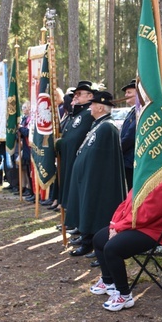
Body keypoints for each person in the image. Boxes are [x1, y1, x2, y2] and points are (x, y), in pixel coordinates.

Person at [89, 181, 162, 311]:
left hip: (153, 230)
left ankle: (124, 294)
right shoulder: (144, 176)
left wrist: (119, 228)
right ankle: (109, 281)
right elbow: (126, 204)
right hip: (132, 224)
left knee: (112, 248)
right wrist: (114, 224)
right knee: (99, 239)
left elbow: (146, 215)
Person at [64, 91, 126, 257]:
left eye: (92, 104)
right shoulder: (98, 124)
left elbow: (103, 158)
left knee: (98, 212)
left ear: (99, 107)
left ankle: (96, 246)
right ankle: (88, 242)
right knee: (88, 209)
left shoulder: (107, 127)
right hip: (89, 178)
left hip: (98, 180)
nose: (89, 107)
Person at [56, 81, 95, 234]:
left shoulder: (86, 114)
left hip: (76, 158)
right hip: (69, 159)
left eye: (79, 94)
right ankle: (73, 222)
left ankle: (78, 225)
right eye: (75, 94)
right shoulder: (78, 113)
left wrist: (62, 143)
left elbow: (76, 138)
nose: (76, 97)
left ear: (90, 96)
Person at [119, 79, 137, 190]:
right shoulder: (132, 111)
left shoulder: (140, 112)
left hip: (132, 159)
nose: (126, 95)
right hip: (127, 159)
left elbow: (130, 136)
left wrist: (118, 149)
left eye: (129, 92)